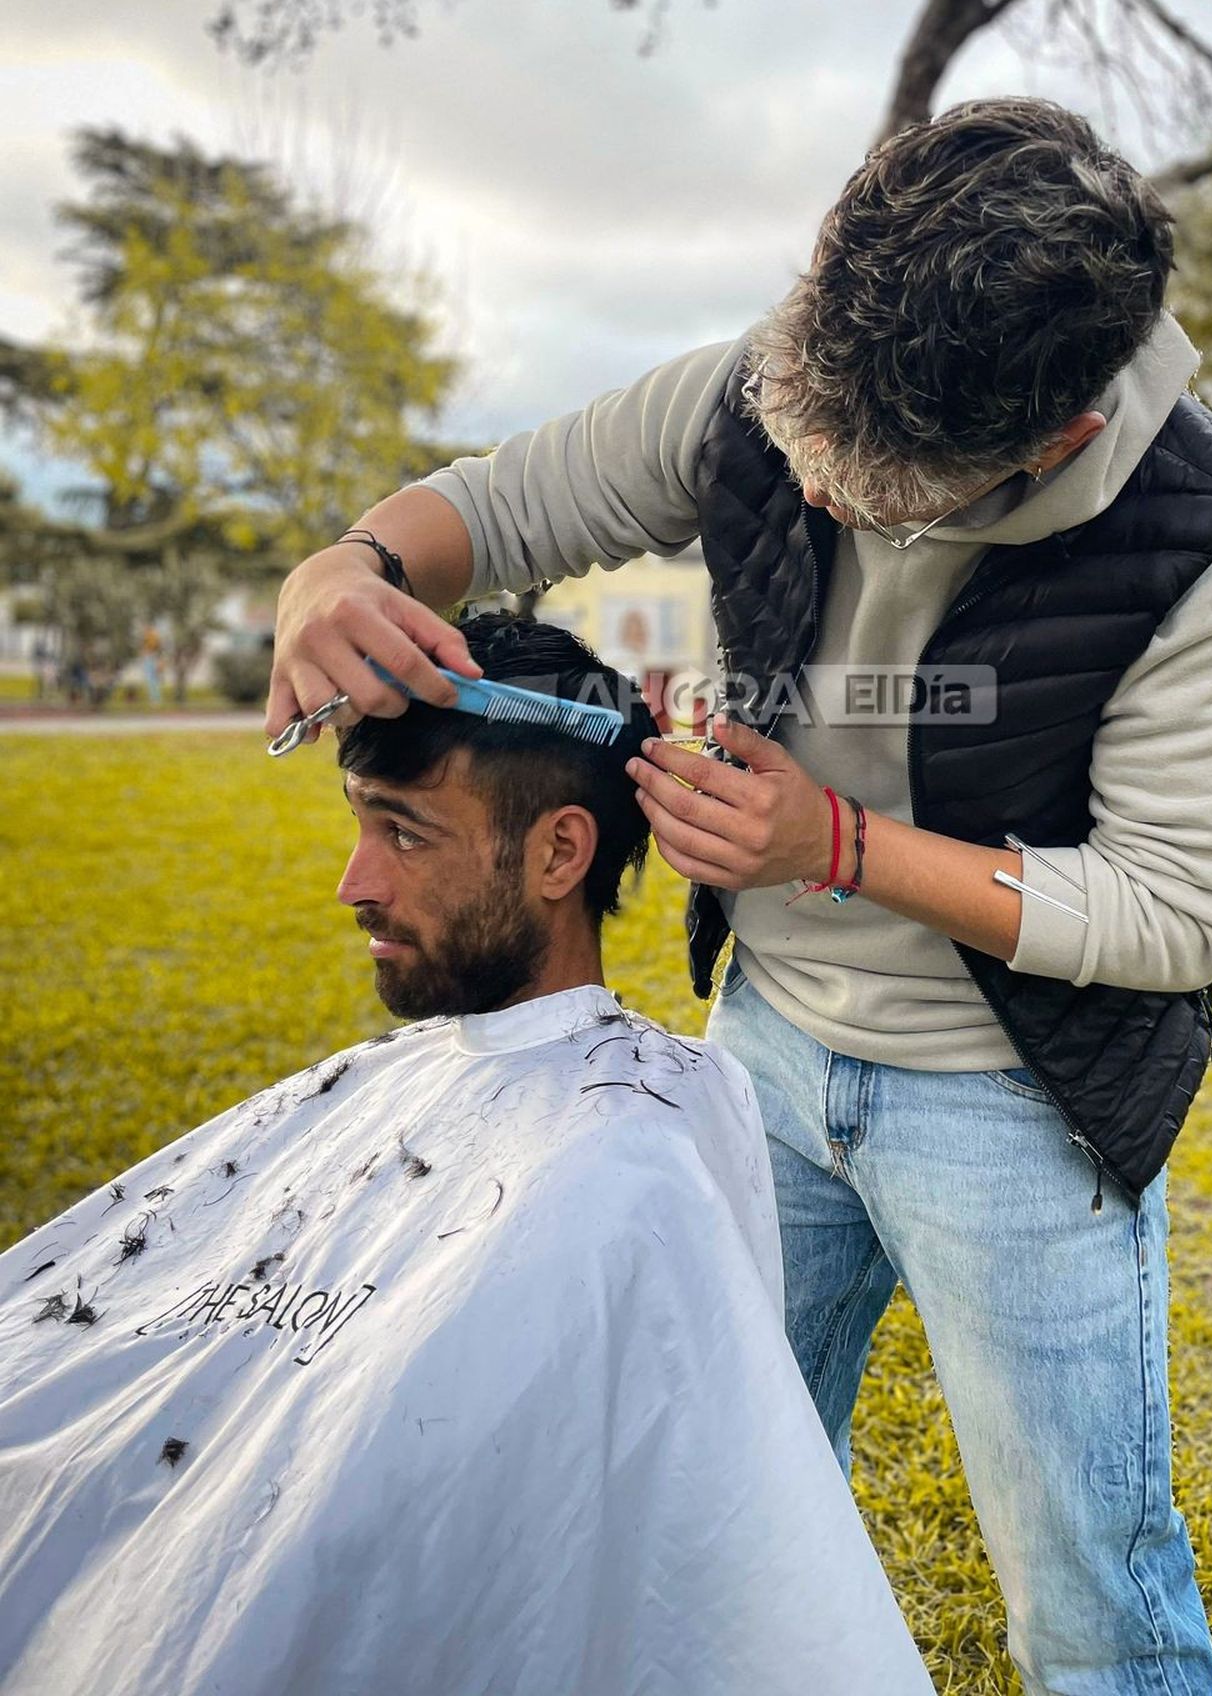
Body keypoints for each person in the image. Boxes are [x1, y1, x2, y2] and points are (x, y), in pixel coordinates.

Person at [266, 99, 1212, 1695]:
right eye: (798, 446)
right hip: (763, 1057)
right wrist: (346, 568)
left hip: (1018, 1107)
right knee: (701, 1512)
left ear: (1056, 441)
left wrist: (835, 846)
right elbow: (516, 503)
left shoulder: (1203, 534)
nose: (806, 496)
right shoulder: (781, 380)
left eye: (868, 490)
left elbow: (1177, 911)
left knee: (1093, 1604)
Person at [0, 615, 934, 1696]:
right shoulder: (392, 1080)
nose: (355, 883)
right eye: (362, 825)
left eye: (405, 833)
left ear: (558, 851)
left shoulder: (631, 1154)